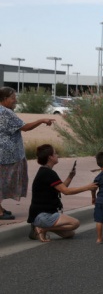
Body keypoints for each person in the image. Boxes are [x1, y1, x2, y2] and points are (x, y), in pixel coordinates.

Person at [0, 87, 56, 221]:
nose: (15, 101)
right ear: (4, 98)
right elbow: (25, 127)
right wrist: (42, 120)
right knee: (3, 183)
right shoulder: (5, 112)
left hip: (4, 154)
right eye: (13, 98)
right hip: (6, 156)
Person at [27, 144, 98, 242]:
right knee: (75, 224)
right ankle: (42, 228)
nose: (57, 155)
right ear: (50, 157)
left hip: (43, 214)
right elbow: (66, 191)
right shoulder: (48, 173)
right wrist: (87, 187)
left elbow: (61, 188)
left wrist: (70, 176)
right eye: (55, 153)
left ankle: (43, 228)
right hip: (43, 215)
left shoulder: (45, 171)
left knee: (69, 234)